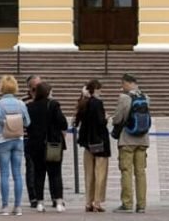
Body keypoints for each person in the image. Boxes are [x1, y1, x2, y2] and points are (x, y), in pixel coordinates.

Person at [0, 75, 30, 216]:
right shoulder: (21, 104)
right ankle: (17, 206)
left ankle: (5, 206)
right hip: (18, 139)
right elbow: (27, 122)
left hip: (3, 139)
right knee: (17, 173)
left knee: (4, 174)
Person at [26, 80, 69, 211]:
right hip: (53, 144)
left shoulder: (30, 106)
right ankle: (59, 201)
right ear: (48, 92)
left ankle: (39, 202)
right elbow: (63, 123)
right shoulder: (54, 105)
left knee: (39, 173)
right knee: (55, 172)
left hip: (36, 145)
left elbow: (28, 126)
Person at [111, 72, 151, 213]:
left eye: (122, 84)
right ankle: (141, 205)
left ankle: (127, 203)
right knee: (141, 172)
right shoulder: (145, 97)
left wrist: (112, 119)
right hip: (143, 140)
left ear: (128, 83)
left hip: (127, 139)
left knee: (126, 171)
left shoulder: (124, 98)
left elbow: (117, 119)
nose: (122, 87)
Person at [74, 79, 111, 212]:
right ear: (95, 90)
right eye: (100, 90)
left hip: (87, 143)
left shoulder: (83, 103)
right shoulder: (97, 103)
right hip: (99, 142)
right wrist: (106, 118)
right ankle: (97, 202)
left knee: (89, 173)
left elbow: (76, 121)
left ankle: (88, 202)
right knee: (100, 173)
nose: (100, 92)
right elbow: (101, 122)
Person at [22, 74, 43, 208]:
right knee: (31, 167)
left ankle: (52, 196)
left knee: (46, 168)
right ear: (29, 89)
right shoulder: (23, 102)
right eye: (35, 88)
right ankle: (33, 197)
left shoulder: (47, 100)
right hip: (28, 138)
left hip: (43, 139)